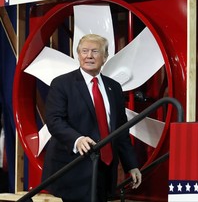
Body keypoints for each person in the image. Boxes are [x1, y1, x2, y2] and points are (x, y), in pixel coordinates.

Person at [42, 34, 142, 202]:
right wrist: (77, 139)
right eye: (84, 51)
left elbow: (121, 130)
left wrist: (131, 165)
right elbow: (54, 120)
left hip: (103, 170)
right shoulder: (62, 84)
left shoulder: (114, 87)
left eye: (95, 51)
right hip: (73, 169)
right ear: (78, 55)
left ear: (105, 57)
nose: (89, 56)